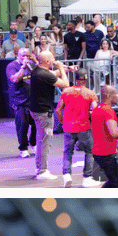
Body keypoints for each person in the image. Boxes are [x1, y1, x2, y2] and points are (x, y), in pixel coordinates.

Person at [56, 68, 102, 188]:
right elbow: (96, 111)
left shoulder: (66, 91)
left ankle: (66, 176)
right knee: (89, 151)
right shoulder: (91, 93)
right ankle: (87, 178)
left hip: (68, 127)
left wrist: (63, 122)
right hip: (83, 127)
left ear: (75, 79)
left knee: (67, 152)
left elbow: (58, 110)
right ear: (86, 80)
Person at [29, 50, 70, 180]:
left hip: (36, 109)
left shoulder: (37, 70)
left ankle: (39, 167)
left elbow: (52, 74)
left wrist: (65, 69)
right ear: (47, 61)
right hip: (43, 112)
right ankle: (42, 171)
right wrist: (61, 69)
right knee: (45, 141)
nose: (54, 59)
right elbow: (65, 85)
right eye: (52, 58)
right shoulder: (44, 74)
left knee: (41, 140)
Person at [91, 85, 118, 187]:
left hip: (98, 153)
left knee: (113, 181)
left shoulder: (97, 109)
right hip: (107, 154)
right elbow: (114, 133)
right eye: (115, 93)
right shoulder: (108, 111)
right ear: (108, 96)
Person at [6, 47, 37, 158]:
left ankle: (33, 143)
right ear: (17, 55)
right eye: (23, 55)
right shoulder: (12, 66)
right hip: (19, 100)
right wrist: (23, 67)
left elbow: (40, 74)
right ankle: (23, 148)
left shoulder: (31, 64)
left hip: (32, 100)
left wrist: (35, 62)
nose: (25, 58)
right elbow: (15, 79)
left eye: (27, 56)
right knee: (22, 126)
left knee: (36, 124)